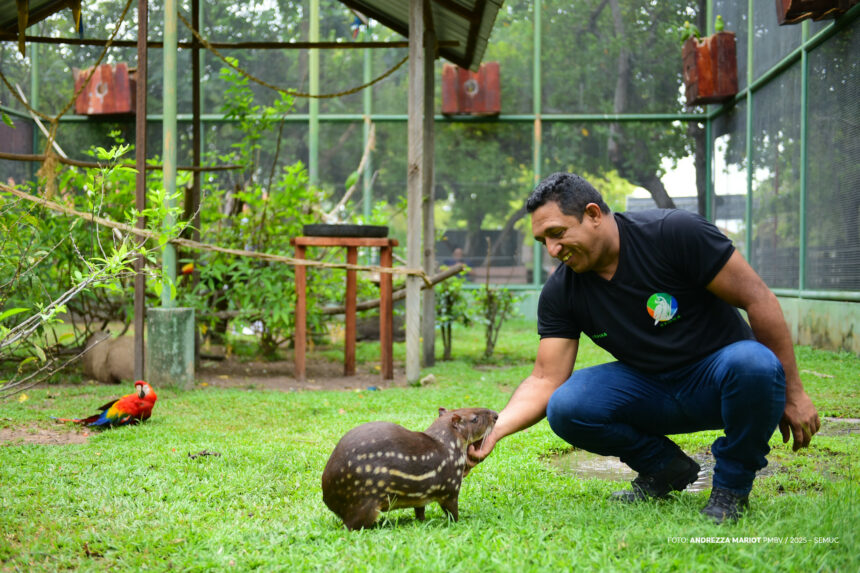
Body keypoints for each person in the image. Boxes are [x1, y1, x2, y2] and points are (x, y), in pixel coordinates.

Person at [466, 172, 820, 523]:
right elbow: (545, 378)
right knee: (567, 406)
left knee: (754, 364)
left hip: (721, 381)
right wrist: (493, 431)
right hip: (651, 391)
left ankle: (731, 489)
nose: (553, 250)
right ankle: (665, 467)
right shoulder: (562, 291)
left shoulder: (674, 233)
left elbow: (758, 298)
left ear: (593, 214)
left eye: (557, 233)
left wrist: (793, 393)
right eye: (543, 241)